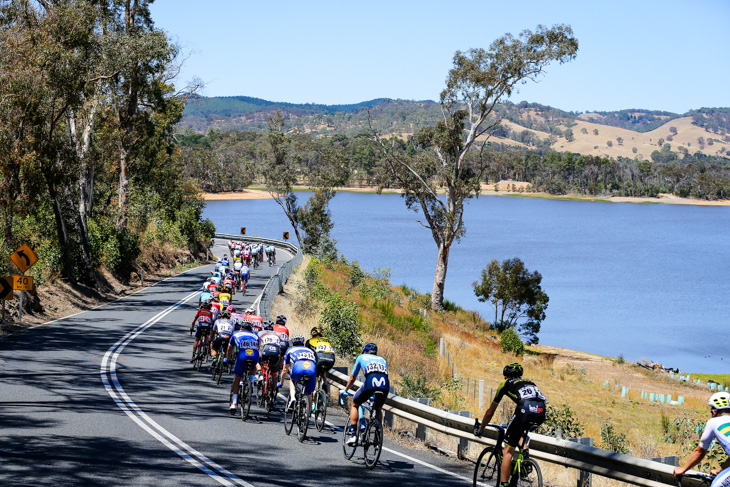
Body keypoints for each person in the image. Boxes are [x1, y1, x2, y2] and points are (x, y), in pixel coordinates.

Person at [476, 363, 546, 487]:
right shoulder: (530, 382)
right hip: (541, 411)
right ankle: (525, 456)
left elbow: (490, 413)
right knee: (518, 430)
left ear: (506, 376)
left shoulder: (505, 384)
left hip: (524, 409)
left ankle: (504, 484)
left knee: (508, 450)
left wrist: (481, 429)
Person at [674, 392, 730, 484]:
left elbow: (699, 452)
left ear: (714, 411)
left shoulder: (713, 422)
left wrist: (683, 469)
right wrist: (720, 470)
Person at [342, 342, 389, 446]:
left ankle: (353, 435)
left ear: (364, 351)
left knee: (355, 403)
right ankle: (377, 436)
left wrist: (346, 389)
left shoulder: (361, 357)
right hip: (385, 384)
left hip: (370, 382)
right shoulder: (383, 360)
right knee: (378, 409)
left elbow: (352, 378)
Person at [227, 321, 260, 412]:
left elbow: (229, 348)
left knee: (237, 378)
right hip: (254, 355)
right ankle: (252, 381)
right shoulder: (256, 335)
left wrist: (227, 359)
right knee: (253, 365)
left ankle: (234, 403)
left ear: (241, 327)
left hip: (242, 355)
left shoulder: (236, 333)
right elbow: (258, 347)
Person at [280, 334, 317, 411]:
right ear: (303, 343)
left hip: (299, 366)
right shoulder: (310, 350)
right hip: (312, 368)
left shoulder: (290, 350)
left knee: (292, 380)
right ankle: (308, 415)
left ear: (292, 343)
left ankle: (293, 398)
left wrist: (281, 382)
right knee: (309, 394)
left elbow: (285, 369)